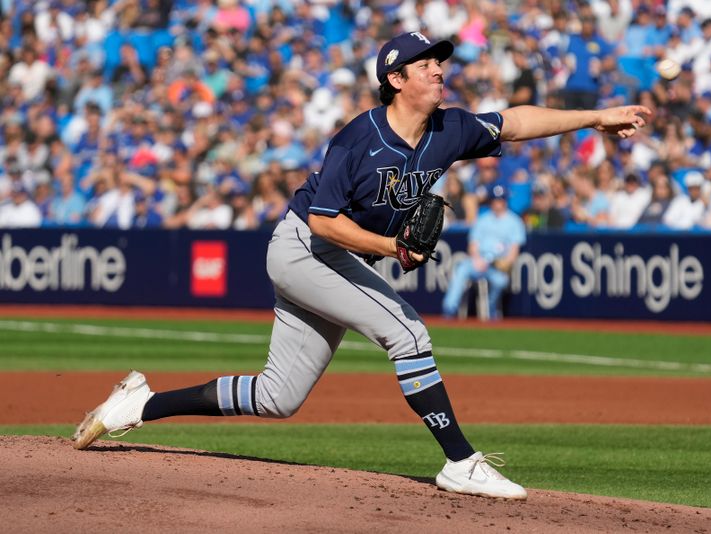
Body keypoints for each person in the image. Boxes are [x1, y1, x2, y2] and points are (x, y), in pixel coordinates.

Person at [73, 31, 650, 499]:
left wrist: (596, 116)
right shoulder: (359, 140)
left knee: (279, 397)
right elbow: (323, 222)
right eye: (426, 64)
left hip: (329, 257)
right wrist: (392, 250)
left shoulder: (448, 128)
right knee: (407, 331)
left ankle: (138, 404)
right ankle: (461, 461)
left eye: (439, 61)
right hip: (303, 247)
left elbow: (517, 122)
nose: (438, 70)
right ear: (395, 80)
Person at [441, 185, 526, 320]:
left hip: (497, 265)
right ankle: (449, 310)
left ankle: (491, 312)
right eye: (495, 200)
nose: (498, 203)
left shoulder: (514, 221)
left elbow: (514, 251)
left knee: (500, 281)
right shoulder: (483, 219)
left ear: (505, 201)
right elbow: (473, 245)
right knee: (462, 269)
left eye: (501, 200)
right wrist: (478, 259)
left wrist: (505, 263)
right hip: (478, 261)